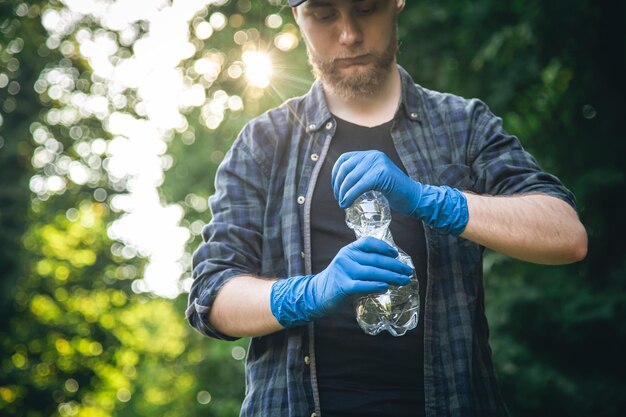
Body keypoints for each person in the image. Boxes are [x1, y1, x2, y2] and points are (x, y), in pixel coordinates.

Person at [186, 0, 588, 416]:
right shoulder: (263, 143)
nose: (349, 34)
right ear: (298, 19)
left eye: (365, 8)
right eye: (324, 15)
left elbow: (566, 235)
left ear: (397, 2)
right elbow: (212, 296)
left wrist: (429, 199)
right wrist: (310, 292)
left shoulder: (463, 125)